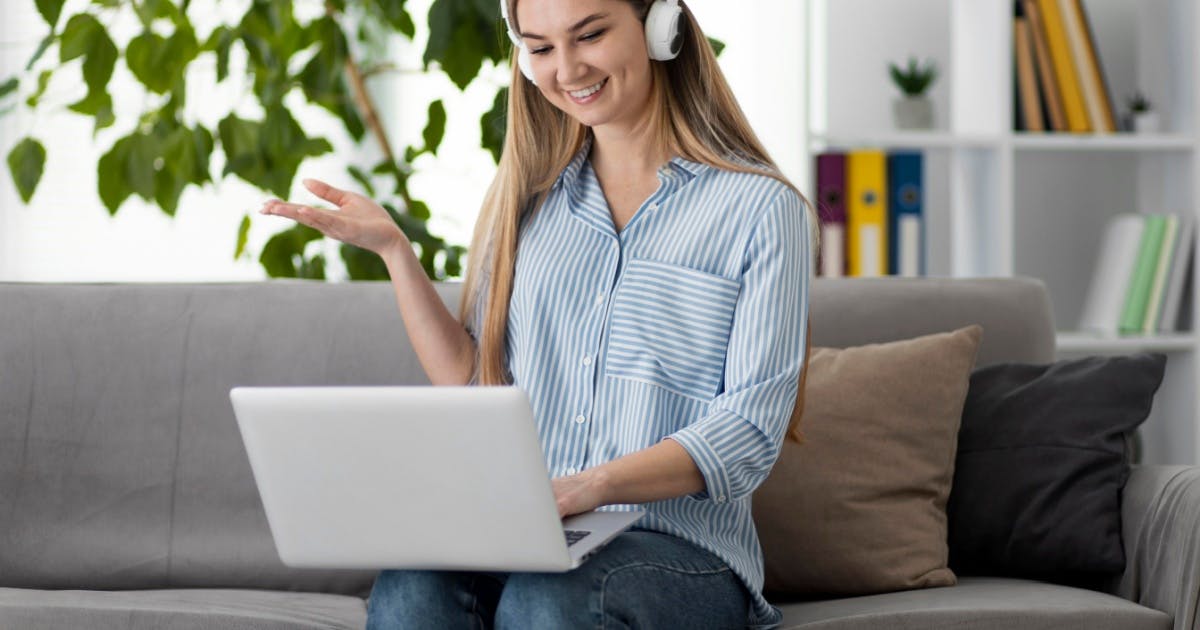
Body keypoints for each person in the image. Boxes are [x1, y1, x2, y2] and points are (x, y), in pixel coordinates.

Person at [260, 0, 815, 627]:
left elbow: (747, 433)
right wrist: (396, 252)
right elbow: (477, 386)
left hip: (681, 553)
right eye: (542, 47)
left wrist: (595, 485)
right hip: (527, 541)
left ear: (661, 27)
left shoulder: (763, 210)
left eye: (591, 35)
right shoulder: (527, 205)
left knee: (550, 595)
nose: (568, 68)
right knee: (413, 585)